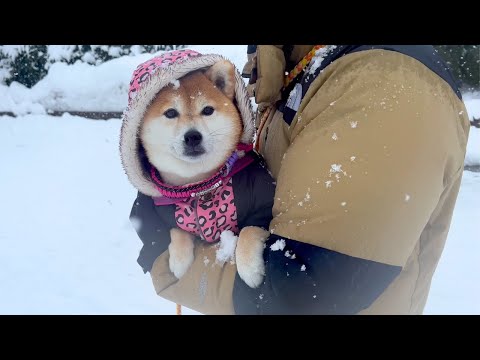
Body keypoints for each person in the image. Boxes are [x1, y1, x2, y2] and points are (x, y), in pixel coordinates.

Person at [124, 45, 470, 314]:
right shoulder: (300, 66)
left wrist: (168, 267)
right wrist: (169, 186)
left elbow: (309, 289)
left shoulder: (382, 78)